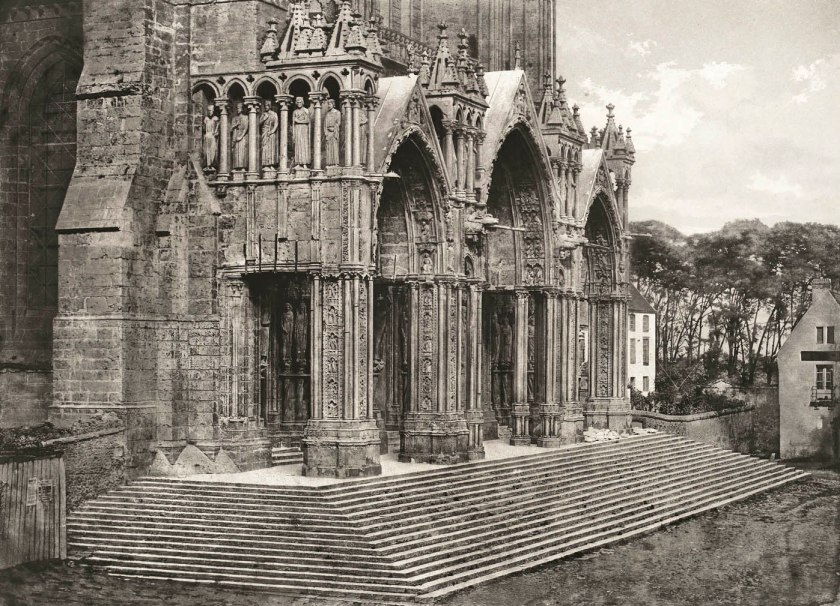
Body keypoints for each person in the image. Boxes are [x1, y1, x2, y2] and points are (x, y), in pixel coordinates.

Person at [292, 96, 311, 167]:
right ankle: (298, 163)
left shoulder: (306, 110)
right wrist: (293, 133)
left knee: (304, 145)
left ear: (302, 103)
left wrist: (298, 121)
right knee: (298, 146)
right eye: (298, 102)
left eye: (300, 102)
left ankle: (304, 163)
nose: (299, 103)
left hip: (304, 130)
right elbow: (293, 123)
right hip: (297, 129)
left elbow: (307, 120)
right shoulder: (295, 112)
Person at [259, 99, 278, 168]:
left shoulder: (274, 114)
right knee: (265, 148)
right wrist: (264, 118)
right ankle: (265, 164)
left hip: (271, 132)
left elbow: (276, 124)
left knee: (271, 148)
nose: (266, 107)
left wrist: (272, 131)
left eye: (267, 105)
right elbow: (259, 123)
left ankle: (271, 164)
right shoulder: (264, 114)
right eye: (265, 106)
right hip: (264, 131)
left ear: (270, 106)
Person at [323, 98, 341, 166]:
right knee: (329, 147)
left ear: (333, 104)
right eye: (328, 104)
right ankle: (329, 163)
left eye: (330, 104)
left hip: (334, 132)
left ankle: (335, 163)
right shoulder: (327, 114)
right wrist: (326, 132)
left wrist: (334, 129)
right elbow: (325, 124)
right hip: (328, 133)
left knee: (335, 147)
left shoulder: (337, 113)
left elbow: (338, 123)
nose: (328, 105)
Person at [231, 102, 248, 170]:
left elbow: (246, 128)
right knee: (236, 152)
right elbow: (231, 128)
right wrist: (236, 125)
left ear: (242, 109)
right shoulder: (234, 118)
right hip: (236, 135)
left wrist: (241, 136)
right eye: (237, 108)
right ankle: (236, 167)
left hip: (242, 136)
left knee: (242, 151)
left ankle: (243, 166)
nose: (238, 109)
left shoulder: (246, 117)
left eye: (239, 108)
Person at [202, 105, 218, 170]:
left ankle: (212, 164)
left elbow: (217, 128)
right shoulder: (206, 119)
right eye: (208, 111)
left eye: (210, 110)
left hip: (212, 136)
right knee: (206, 151)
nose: (209, 112)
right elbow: (204, 129)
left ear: (213, 111)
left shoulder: (215, 118)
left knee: (212, 150)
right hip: (207, 136)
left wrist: (216, 133)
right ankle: (207, 165)